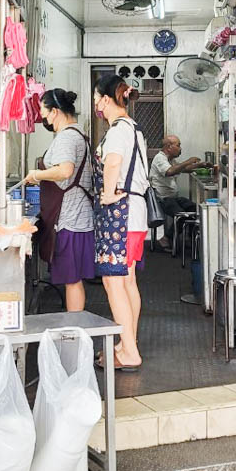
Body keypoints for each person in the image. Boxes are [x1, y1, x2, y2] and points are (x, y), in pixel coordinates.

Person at [92, 73, 148, 372]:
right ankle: (128, 344)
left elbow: (113, 162)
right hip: (134, 214)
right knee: (127, 281)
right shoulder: (135, 129)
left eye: (95, 97)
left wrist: (108, 194)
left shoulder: (117, 130)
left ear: (104, 98)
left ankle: (129, 352)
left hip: (121, 215)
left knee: (114, 282)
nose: (95, 103)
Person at [23, 88, 95, 311]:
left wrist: (36, 175)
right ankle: (75, 328)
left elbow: (65, 171)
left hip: (69, 219)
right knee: (73, 279)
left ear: (55, 112)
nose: (43, 118)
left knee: (72, 280)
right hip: (77, 216)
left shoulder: (66, 137)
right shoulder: (78, 134)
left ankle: (74, 332)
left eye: (44, 112)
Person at [149, 134, 209, 251]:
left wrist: (200, 165)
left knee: (194, 209)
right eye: (178, 145)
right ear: (169, 147)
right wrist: (188, 161)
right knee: (181, 215)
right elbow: (170, 171)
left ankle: (191, 241)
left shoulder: (170, 160)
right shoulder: (160, 159)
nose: (180, 148)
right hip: (162, 199)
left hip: (172, 198)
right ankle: (166, 238)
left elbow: (182, 169)